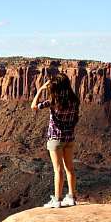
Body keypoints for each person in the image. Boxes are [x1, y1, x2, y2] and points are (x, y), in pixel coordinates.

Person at [30, 74, 80, 208]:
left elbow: (33, 106)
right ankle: (72, 197)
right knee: (70, 169)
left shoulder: (53, 101)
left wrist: (40, 89)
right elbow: (76, 118)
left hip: (55, 139)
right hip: (69, 138)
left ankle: (57, 200)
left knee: (58, 170)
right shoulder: (74, 100)